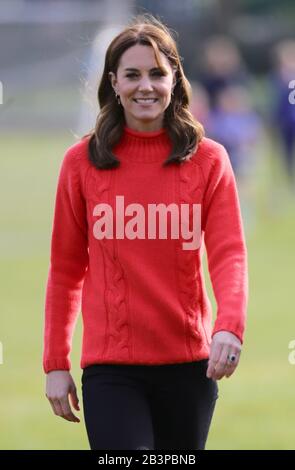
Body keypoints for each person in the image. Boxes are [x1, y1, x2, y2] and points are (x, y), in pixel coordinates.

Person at [43, 14, 248, 450]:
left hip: (190, 366)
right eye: (132, 74)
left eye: (157, 73)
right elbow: (65, 269)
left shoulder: (209, 161)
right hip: (111, 368)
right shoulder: (80, 163)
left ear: (175, 79)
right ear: (113, 82)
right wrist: (56, 362)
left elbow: (229, 253)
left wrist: (229, 326)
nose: (146, 86)